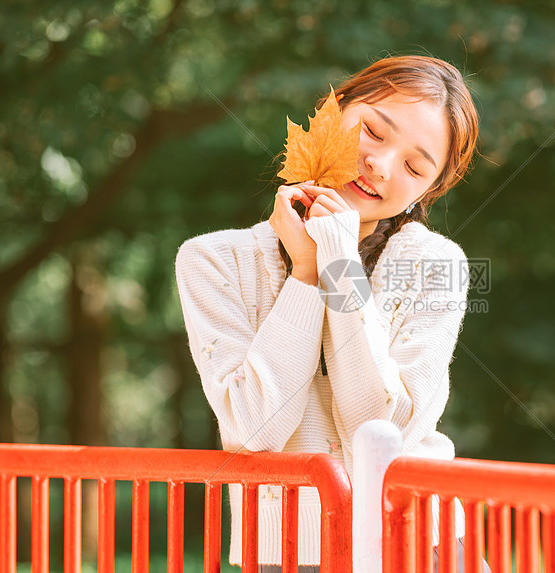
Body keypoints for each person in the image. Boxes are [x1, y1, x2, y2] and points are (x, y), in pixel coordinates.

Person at [175, 55, 488, 572]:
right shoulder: (212, 261)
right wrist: (303, 273)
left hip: (417, 547)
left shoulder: (437, 265)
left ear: (426, 193)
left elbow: (380, 428)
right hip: (287, 553)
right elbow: (256, 431)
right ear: (329, 110)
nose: (382, 166)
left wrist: (338, 262)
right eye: (372, 131)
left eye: (415, 167)